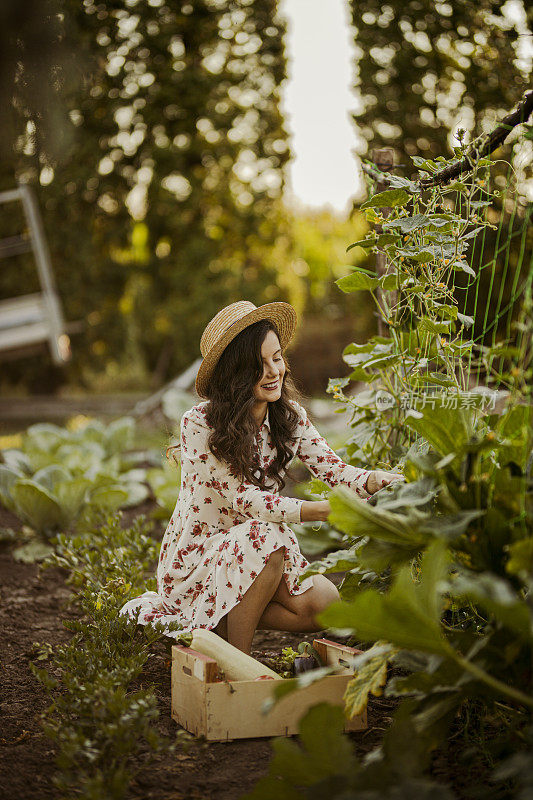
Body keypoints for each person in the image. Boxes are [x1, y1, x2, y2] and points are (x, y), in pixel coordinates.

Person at [119, 300, 403, 654]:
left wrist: (376, 479)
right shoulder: (198, 424)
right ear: (234, 373)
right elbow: (243, 499)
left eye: (277, 358)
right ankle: (236, 663)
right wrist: (321, 511)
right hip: (200, 560)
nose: (274, 372)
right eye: (259, 364)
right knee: (265, 538)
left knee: (326, 606)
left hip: (261, 550)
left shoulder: (288, 417)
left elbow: (335, 470)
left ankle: (218, 623)